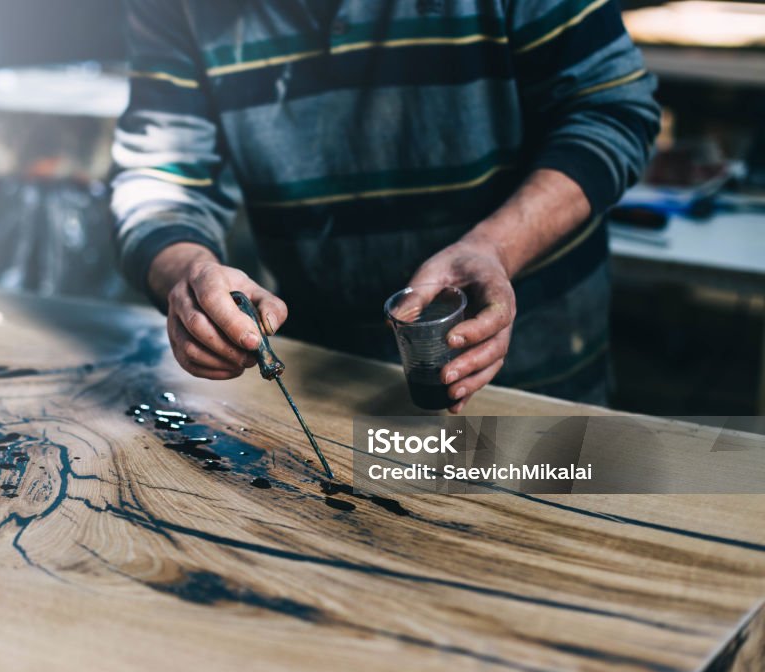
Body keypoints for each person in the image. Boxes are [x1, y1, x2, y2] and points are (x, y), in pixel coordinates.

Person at [111, 0, 660, 410]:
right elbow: (158, 173)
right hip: (323, 382)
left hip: (536, 386)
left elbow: (612, 109)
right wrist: (187, 272)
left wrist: (495, 247)